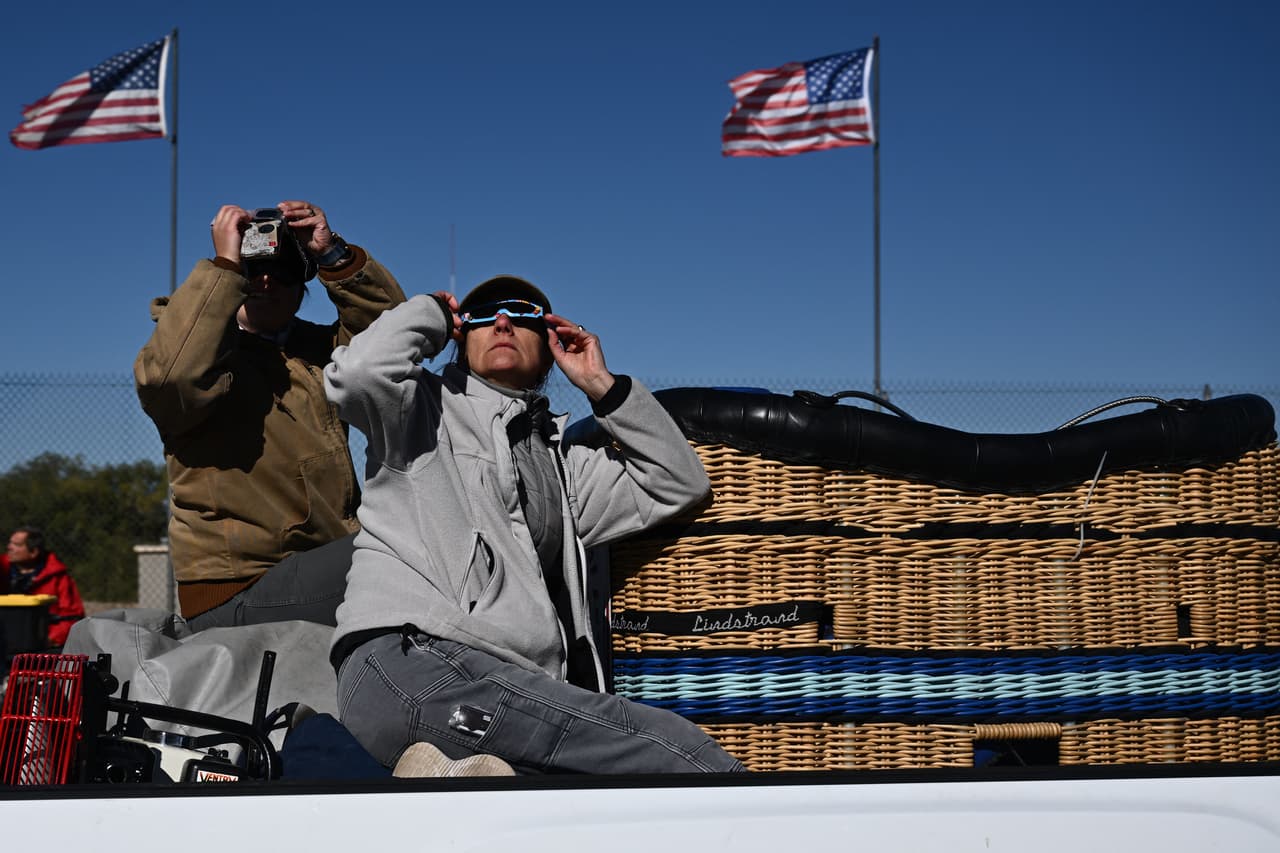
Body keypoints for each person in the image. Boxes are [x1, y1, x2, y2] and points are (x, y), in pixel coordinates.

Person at [324, 275, 745, 776]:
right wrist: (433, 313)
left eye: (521, 313)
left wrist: (600, 387)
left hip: (497, 692)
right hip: (412, 663)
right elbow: (357, 373)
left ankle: (449, 777)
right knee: (676, 748)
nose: (501, 321)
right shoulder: (418, 411)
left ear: (550, 345)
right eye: (482, 315)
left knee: (578, 811)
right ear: (461, 337)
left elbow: (677, 483)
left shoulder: (563, 465)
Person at [134, 201, 406, 627]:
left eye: (282, 271)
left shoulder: (318, 352)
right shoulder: (197, 356)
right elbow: (173, 379)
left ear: (301, 288)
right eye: (251, 268)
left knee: (423, 544)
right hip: (239, 585)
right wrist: (223, 264)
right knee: (405, 552)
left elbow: (393, 343)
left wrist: (332, 254)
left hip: (318, 569)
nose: (265, 280)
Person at [2, 527, 85, 648]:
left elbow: (72, 616)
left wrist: (49, 639)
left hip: (43, 645)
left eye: (17, 544)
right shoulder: (3, 571)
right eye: (10, 543)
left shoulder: (57, 578)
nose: (9, 547)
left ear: (33, 552)